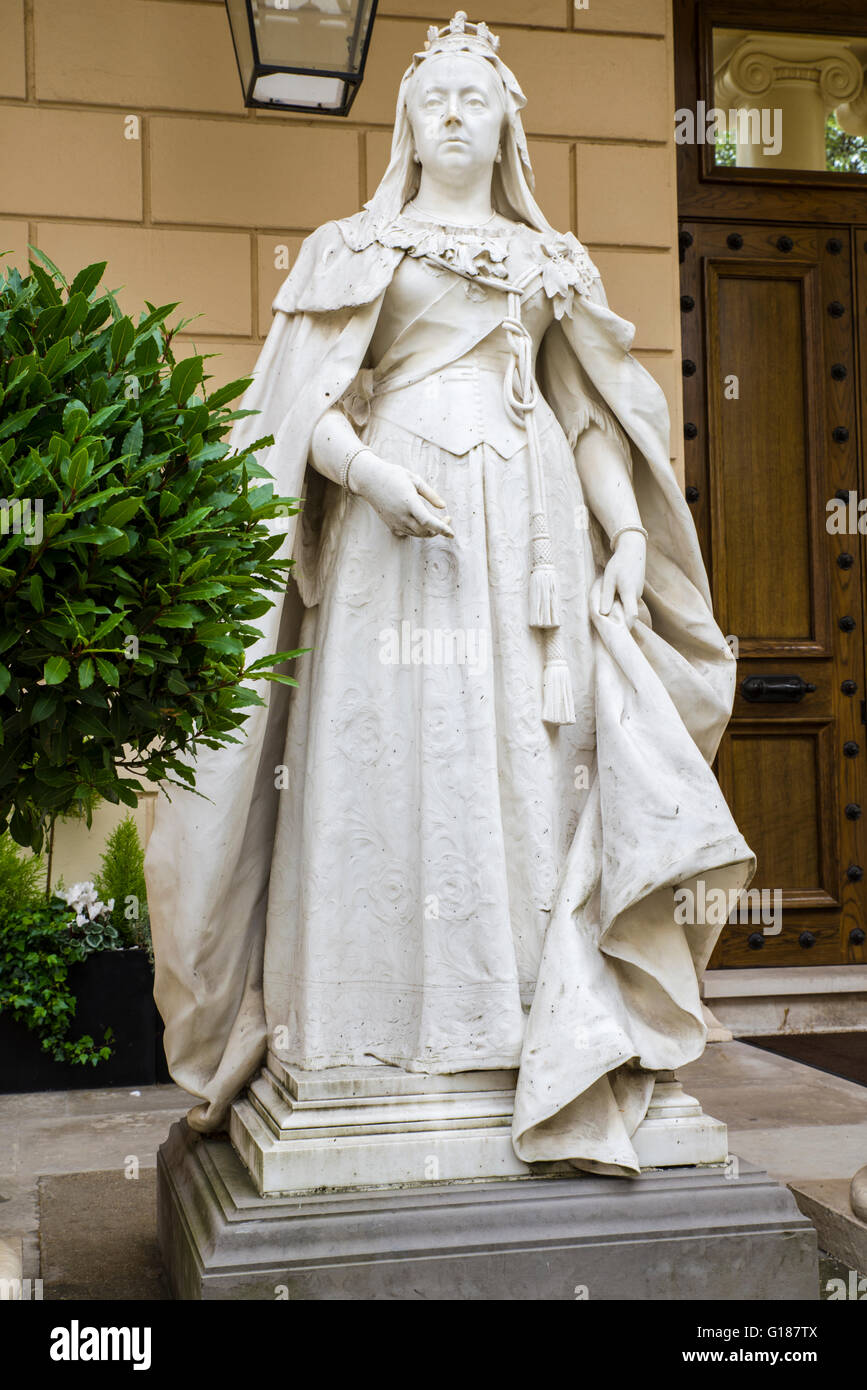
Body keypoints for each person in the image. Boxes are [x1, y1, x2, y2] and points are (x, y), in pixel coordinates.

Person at [144, 13, 754, 1174]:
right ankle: (377, 1034)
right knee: (399, 759)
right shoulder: (353, 249)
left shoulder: (549, 260)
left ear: (510, 124)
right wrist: (369, 474)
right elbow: (300, 412)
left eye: (480, 96)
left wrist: (624, 531)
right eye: (439, 99)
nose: (459, 114)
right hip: (397, 536)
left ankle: (538, 1024)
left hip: (534, 535)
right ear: (408, 126)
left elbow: (585, 410)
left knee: (538, 762)